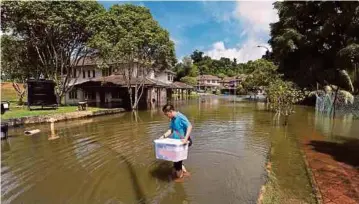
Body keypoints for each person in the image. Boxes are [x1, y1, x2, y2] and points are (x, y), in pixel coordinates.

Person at [160, 104, 192, 180]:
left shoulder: (180, 117)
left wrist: (185, 139)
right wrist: (163, 137)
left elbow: (190, 126)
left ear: (170, 111)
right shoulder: (173, 119)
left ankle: (180, 179)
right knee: (176, 161)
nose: (166, 116)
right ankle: (185, 173)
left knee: (177, 163)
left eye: (166, 114)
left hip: (183, 143)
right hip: (176, 144)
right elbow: (171, 130)